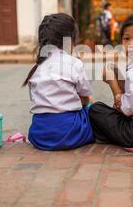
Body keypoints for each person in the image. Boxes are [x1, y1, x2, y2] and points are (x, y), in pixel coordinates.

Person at [22, 13, 94, 151]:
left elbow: (36, 100)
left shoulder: (37, 68)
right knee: (92, 109)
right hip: (68, 132)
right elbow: (85, 98)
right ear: (70, 40)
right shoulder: (74, 63)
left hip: (40, 135)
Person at [88, 13, 133, 149]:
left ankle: (106, 135)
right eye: (127, 39)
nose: (131, 44)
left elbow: (128, 109)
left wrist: (112, 83)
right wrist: (117, 75)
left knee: (95, 110)